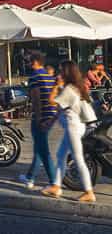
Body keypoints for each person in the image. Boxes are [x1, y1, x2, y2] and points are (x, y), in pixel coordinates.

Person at [44, 60, 96, 203]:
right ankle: (56, 186)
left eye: (61, 71)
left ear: (67, 73)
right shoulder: (75, 87)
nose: (59, 73)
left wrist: (55, 86)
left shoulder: (69, 89)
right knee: (61, 155)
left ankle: (89, 192)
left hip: (73, 127)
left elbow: (52, 101)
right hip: (74, 126)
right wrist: (51, 122)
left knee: (78, 159)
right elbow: (61, 109)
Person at [19, 51, 58, 191]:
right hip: (50, 114)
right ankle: (30, 177)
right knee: (39, 148)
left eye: (29, 61)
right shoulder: (48, 76)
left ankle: (54, 182)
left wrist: (38, 118)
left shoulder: (34, 77)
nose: (28, 64)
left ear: (35, 62)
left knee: (43, 150)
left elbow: (35, 99)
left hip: (41, 115)